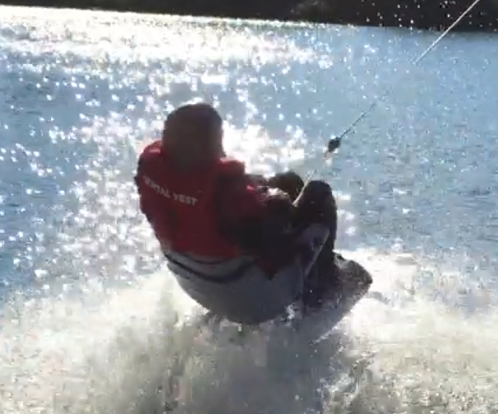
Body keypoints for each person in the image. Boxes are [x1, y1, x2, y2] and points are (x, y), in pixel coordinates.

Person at [134, 102, 343, 326]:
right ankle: (320, 294)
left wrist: (256, 187)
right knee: (318, 194)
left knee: (288, 181)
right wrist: (277, 200)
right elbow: (275, 224)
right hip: (255, 300)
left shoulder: (149, 166)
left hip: (196, 284)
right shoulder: (227, 188)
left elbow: (199, 198)